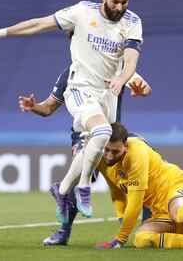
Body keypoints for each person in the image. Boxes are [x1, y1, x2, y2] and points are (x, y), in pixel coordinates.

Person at [0, 0, 143, 220]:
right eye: (115, 2)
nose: (119, 7)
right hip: (80, 88)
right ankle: (84, 187)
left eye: (124, 2)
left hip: (108, 94)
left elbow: (132, 61)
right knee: (102, 132)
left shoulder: (133, 21)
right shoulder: (82, 12)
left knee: (98, 142)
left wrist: (123, 78)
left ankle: (61, 191)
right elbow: (39, 25)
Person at [19, 68, 152, 245]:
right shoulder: (70, 73)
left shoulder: (115, 66)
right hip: (84, 134)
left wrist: (142, 90)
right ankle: (64, 231)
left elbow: (144, 87)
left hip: (114, 134)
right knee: (77, 178)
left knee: (145, 162)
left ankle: (147, 228)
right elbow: (48, 108)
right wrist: (34, 106)